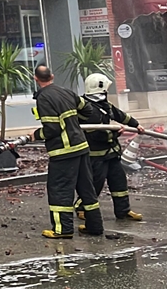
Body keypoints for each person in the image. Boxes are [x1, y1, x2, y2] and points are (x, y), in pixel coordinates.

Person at [31, 64, 103, 239]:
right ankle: (95, 226)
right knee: (87, 188)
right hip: (81, 147)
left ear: (35, 79)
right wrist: (74, 123)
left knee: (60, 189)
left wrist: (35, 135)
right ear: (52, 76)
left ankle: (63, 229)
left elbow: (52, 129)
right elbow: (87, 109)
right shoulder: (66, 91)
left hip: (63, 151)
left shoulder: (44, 98)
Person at [75, 73, 144, 223]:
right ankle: (81, 208)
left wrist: (136, 124)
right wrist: (115, 132)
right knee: (95, 184)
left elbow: (120, 115)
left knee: (119, 182)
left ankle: (123, 211)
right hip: (96, 155)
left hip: (111, 153)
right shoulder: (87, 110)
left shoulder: (104, 105)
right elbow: (97, 134)